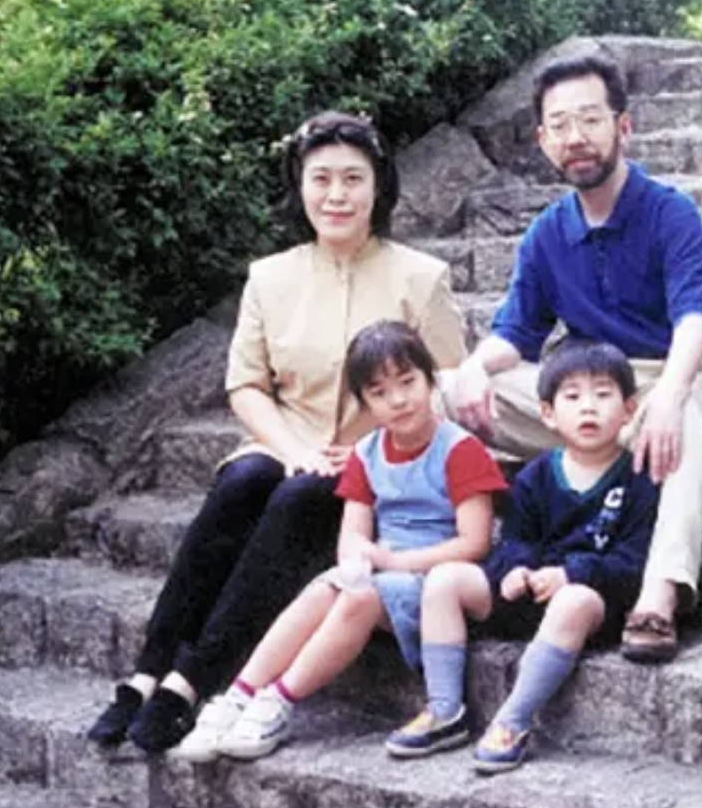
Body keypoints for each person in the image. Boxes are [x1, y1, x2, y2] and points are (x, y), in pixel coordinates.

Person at [86, 112, 468, 753]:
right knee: (244, 480)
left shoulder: (420, 277)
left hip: (374, 459)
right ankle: (147, 672)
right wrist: (295, 451)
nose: (337, 194)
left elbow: (447, 383)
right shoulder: (270, 276)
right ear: (300, 186)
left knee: (299, 496)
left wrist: (369, 450)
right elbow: (246, 386)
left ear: (380, 186)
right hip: (284, 441)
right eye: (321, 179)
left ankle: (192, 680)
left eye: (353, 179)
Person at [447, 53, 702, 663]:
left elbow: (696, 320)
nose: (575, 137)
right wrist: (472, 368)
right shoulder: (547, 233)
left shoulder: (670, 212)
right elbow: (516, 334)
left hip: (674, 375)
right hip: (585, 389)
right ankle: (439, 557)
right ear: (543, 139)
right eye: (560, 125)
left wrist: (670, 395)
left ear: (622, 127)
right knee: (439, 394)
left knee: (681, 430)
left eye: (589, 120)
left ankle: (657, 598)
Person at [174, 319, 504, 763]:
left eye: (408, 382)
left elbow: (474, 543)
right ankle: (238, 695)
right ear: (364, 402)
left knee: (359, 597)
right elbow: (352, 535)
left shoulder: (460, 450)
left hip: (440, 583)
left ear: (431, 381)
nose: (398, 399)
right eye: (379, 392)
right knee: (327, 587)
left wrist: (390, 561)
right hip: (386, 577)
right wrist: (356, 563)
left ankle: (279, 700)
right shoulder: (366, 453)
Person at [386, 340, 658, 773]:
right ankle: (444, 709)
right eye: (572, 397)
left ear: (629, 409)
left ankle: (511, 721)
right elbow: (515, 538)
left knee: (574, 601)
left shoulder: (639, 480)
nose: (588, 408)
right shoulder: (536, 475)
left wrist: (572, 573)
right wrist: (515, 569)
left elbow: (635, 562)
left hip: (589, 604)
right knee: (445, 579)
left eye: (603, 395)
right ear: (547, 413)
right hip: (527, 592)